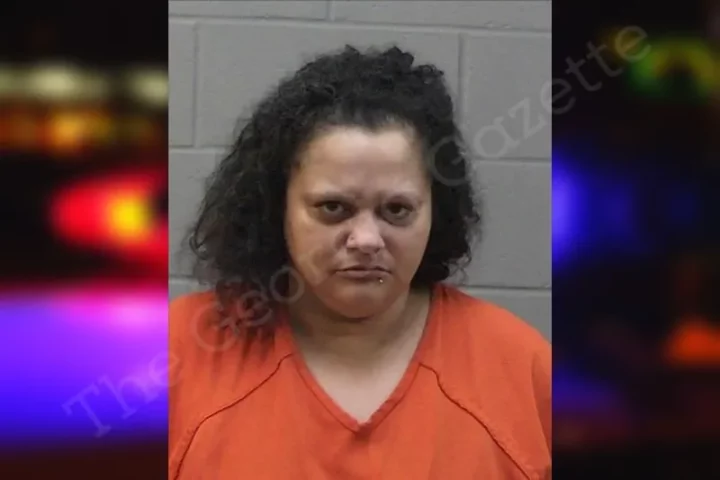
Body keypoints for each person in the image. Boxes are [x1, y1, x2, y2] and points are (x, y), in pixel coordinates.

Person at [169, 45, 551, 479]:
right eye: (333, 208)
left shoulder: (523, 369)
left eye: (397, 210)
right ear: (276, 208)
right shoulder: (176, 353)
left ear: (436, 212)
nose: (367, 240)